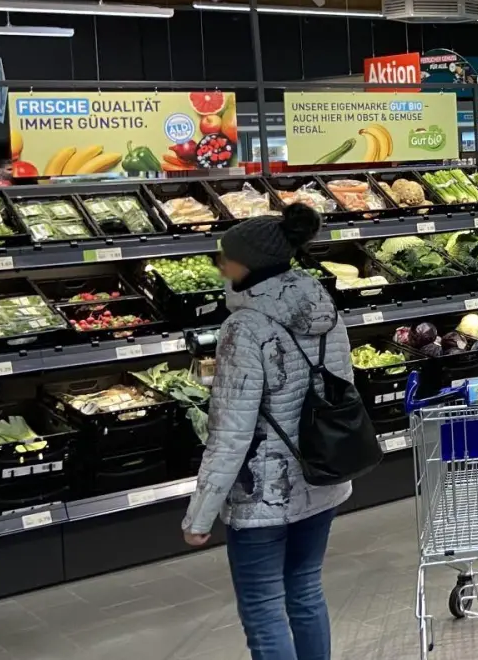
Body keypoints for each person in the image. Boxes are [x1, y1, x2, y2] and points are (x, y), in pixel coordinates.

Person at [181, 203, 354, 660]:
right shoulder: (324, 306)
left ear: (247, 265)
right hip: (322, 476)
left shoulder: (243, 327)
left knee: (262, 608)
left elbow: (231, 431)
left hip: (265, 492)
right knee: (305, 591)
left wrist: (200, 515)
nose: (220, 266)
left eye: (225, 257)